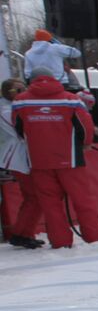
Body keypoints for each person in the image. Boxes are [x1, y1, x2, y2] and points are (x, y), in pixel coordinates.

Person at [11, 72, 98, 247]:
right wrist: (86, 142)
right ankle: (95, 236)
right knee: (83, 200)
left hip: (39, 160)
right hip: (70, 159)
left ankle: (60, 240)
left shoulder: (20, 101)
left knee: (50, 204)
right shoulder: (71, 99)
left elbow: (19, 128)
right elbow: (85, 124)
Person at [1, 78, 43, 249]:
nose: (22, 93)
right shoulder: (5, 110)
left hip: (25, 156)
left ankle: (24, 232)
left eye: (23, 89)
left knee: (33, 197)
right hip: (18, 157)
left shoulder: (17, 107)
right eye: (17, 91)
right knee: (34, 196)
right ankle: (21, 233)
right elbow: (21, 132)